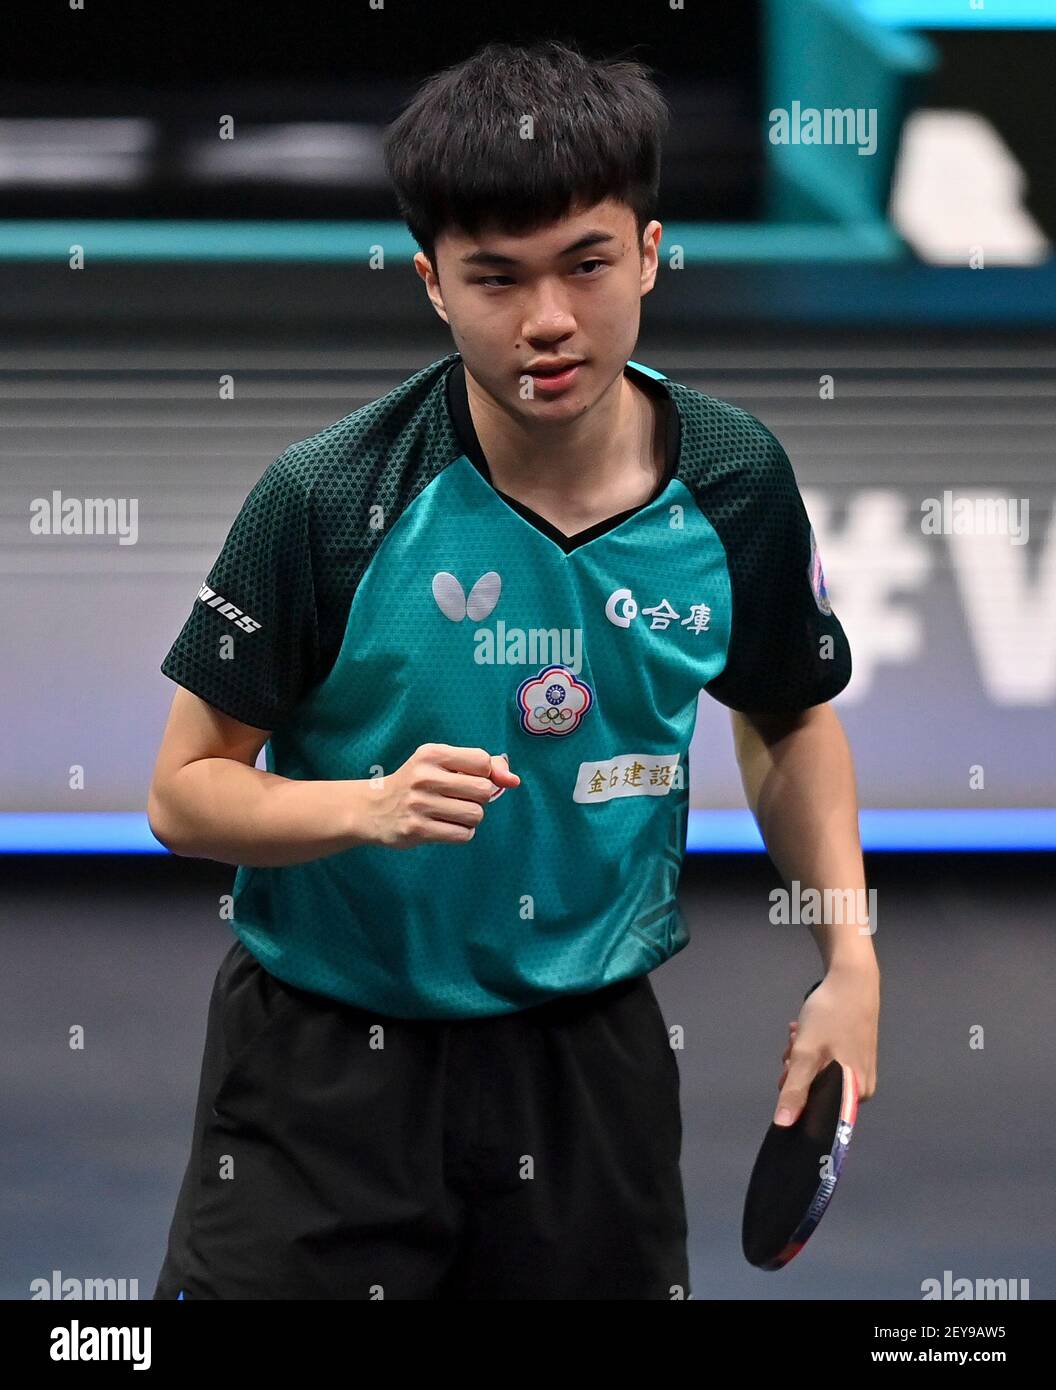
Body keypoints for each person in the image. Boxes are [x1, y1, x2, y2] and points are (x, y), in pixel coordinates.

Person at [149, 37, 879, 1301]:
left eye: (587, 264)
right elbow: (184, 791)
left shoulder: (736, 482)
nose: (547, 320)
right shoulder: (328, 500)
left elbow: (788, 720)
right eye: (496, 277)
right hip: (324, 1067)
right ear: (433, 283)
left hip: (586, 1063)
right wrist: (364, 808)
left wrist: (850, 962)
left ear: (650, 251)